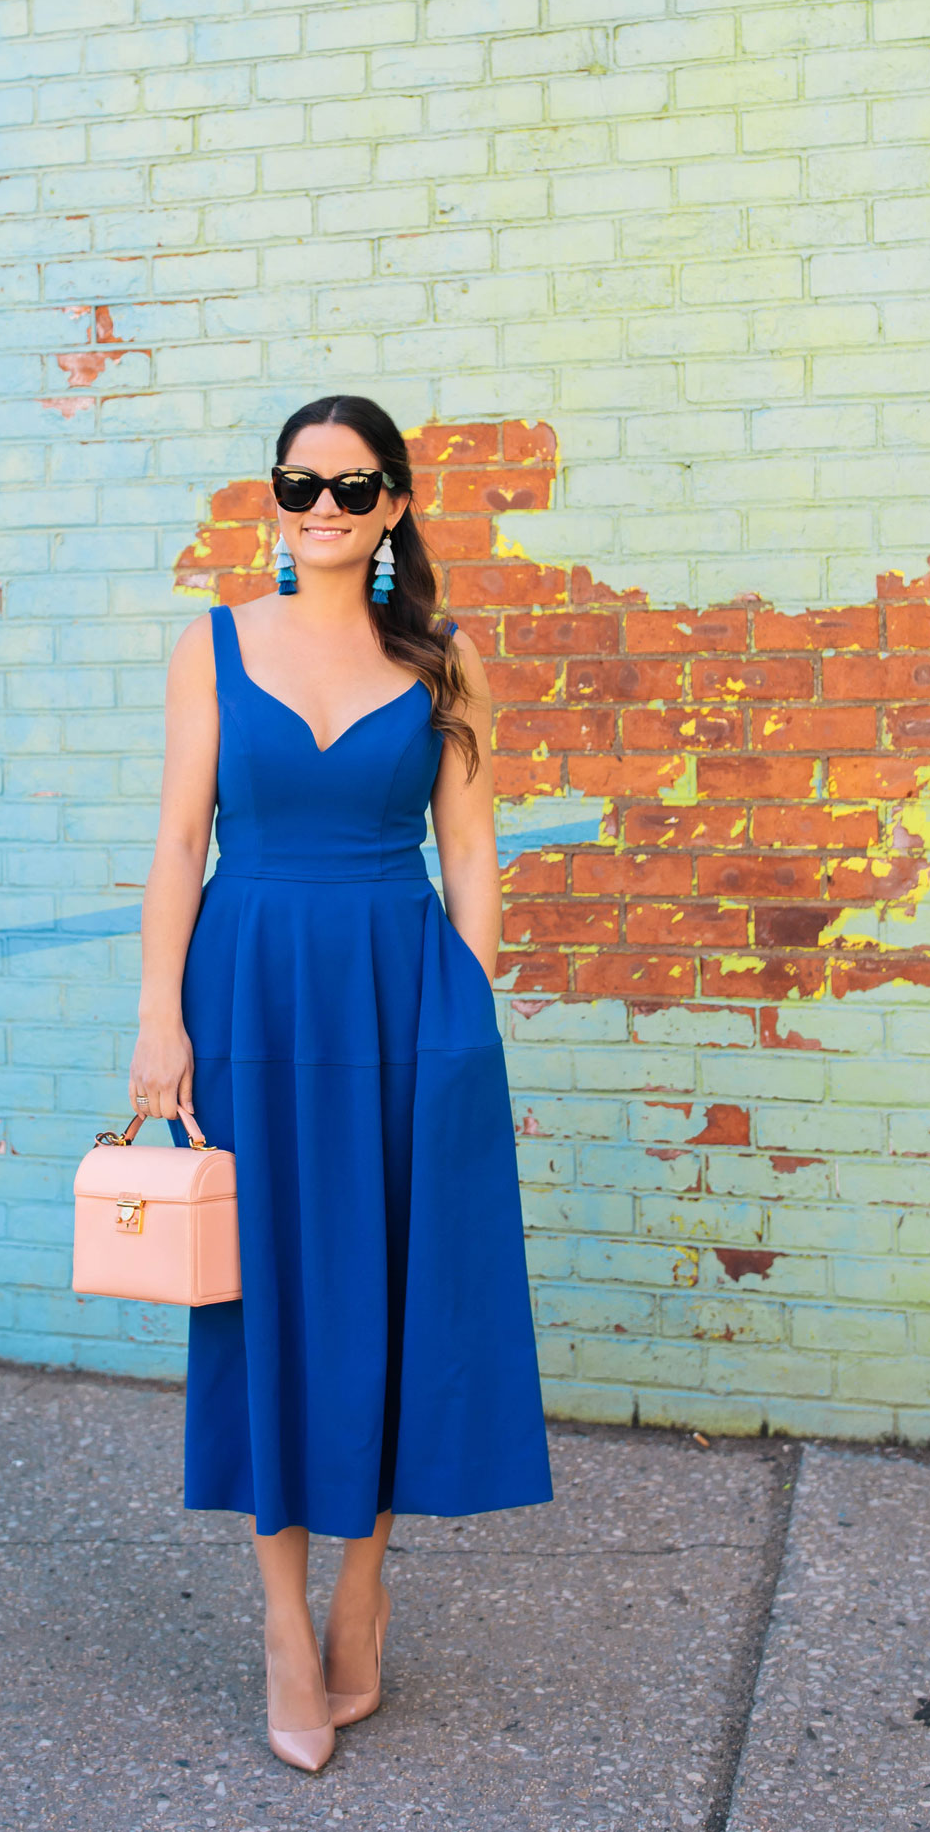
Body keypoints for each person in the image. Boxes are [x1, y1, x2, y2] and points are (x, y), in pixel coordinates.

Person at [128, 394, 553, 1772]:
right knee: (264, 1309)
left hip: (395, 994)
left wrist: (466, 1009)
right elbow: (180, 837)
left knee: (378, 1300)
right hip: (245, 997)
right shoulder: (211, 646)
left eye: (351, 485)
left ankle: (362, 1589)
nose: (321, 507)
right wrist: (156, 1017)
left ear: (392, 506)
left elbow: (473, 847)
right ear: (276, 497)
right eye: (298, 484)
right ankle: (281, 1628)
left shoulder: (443, 658)